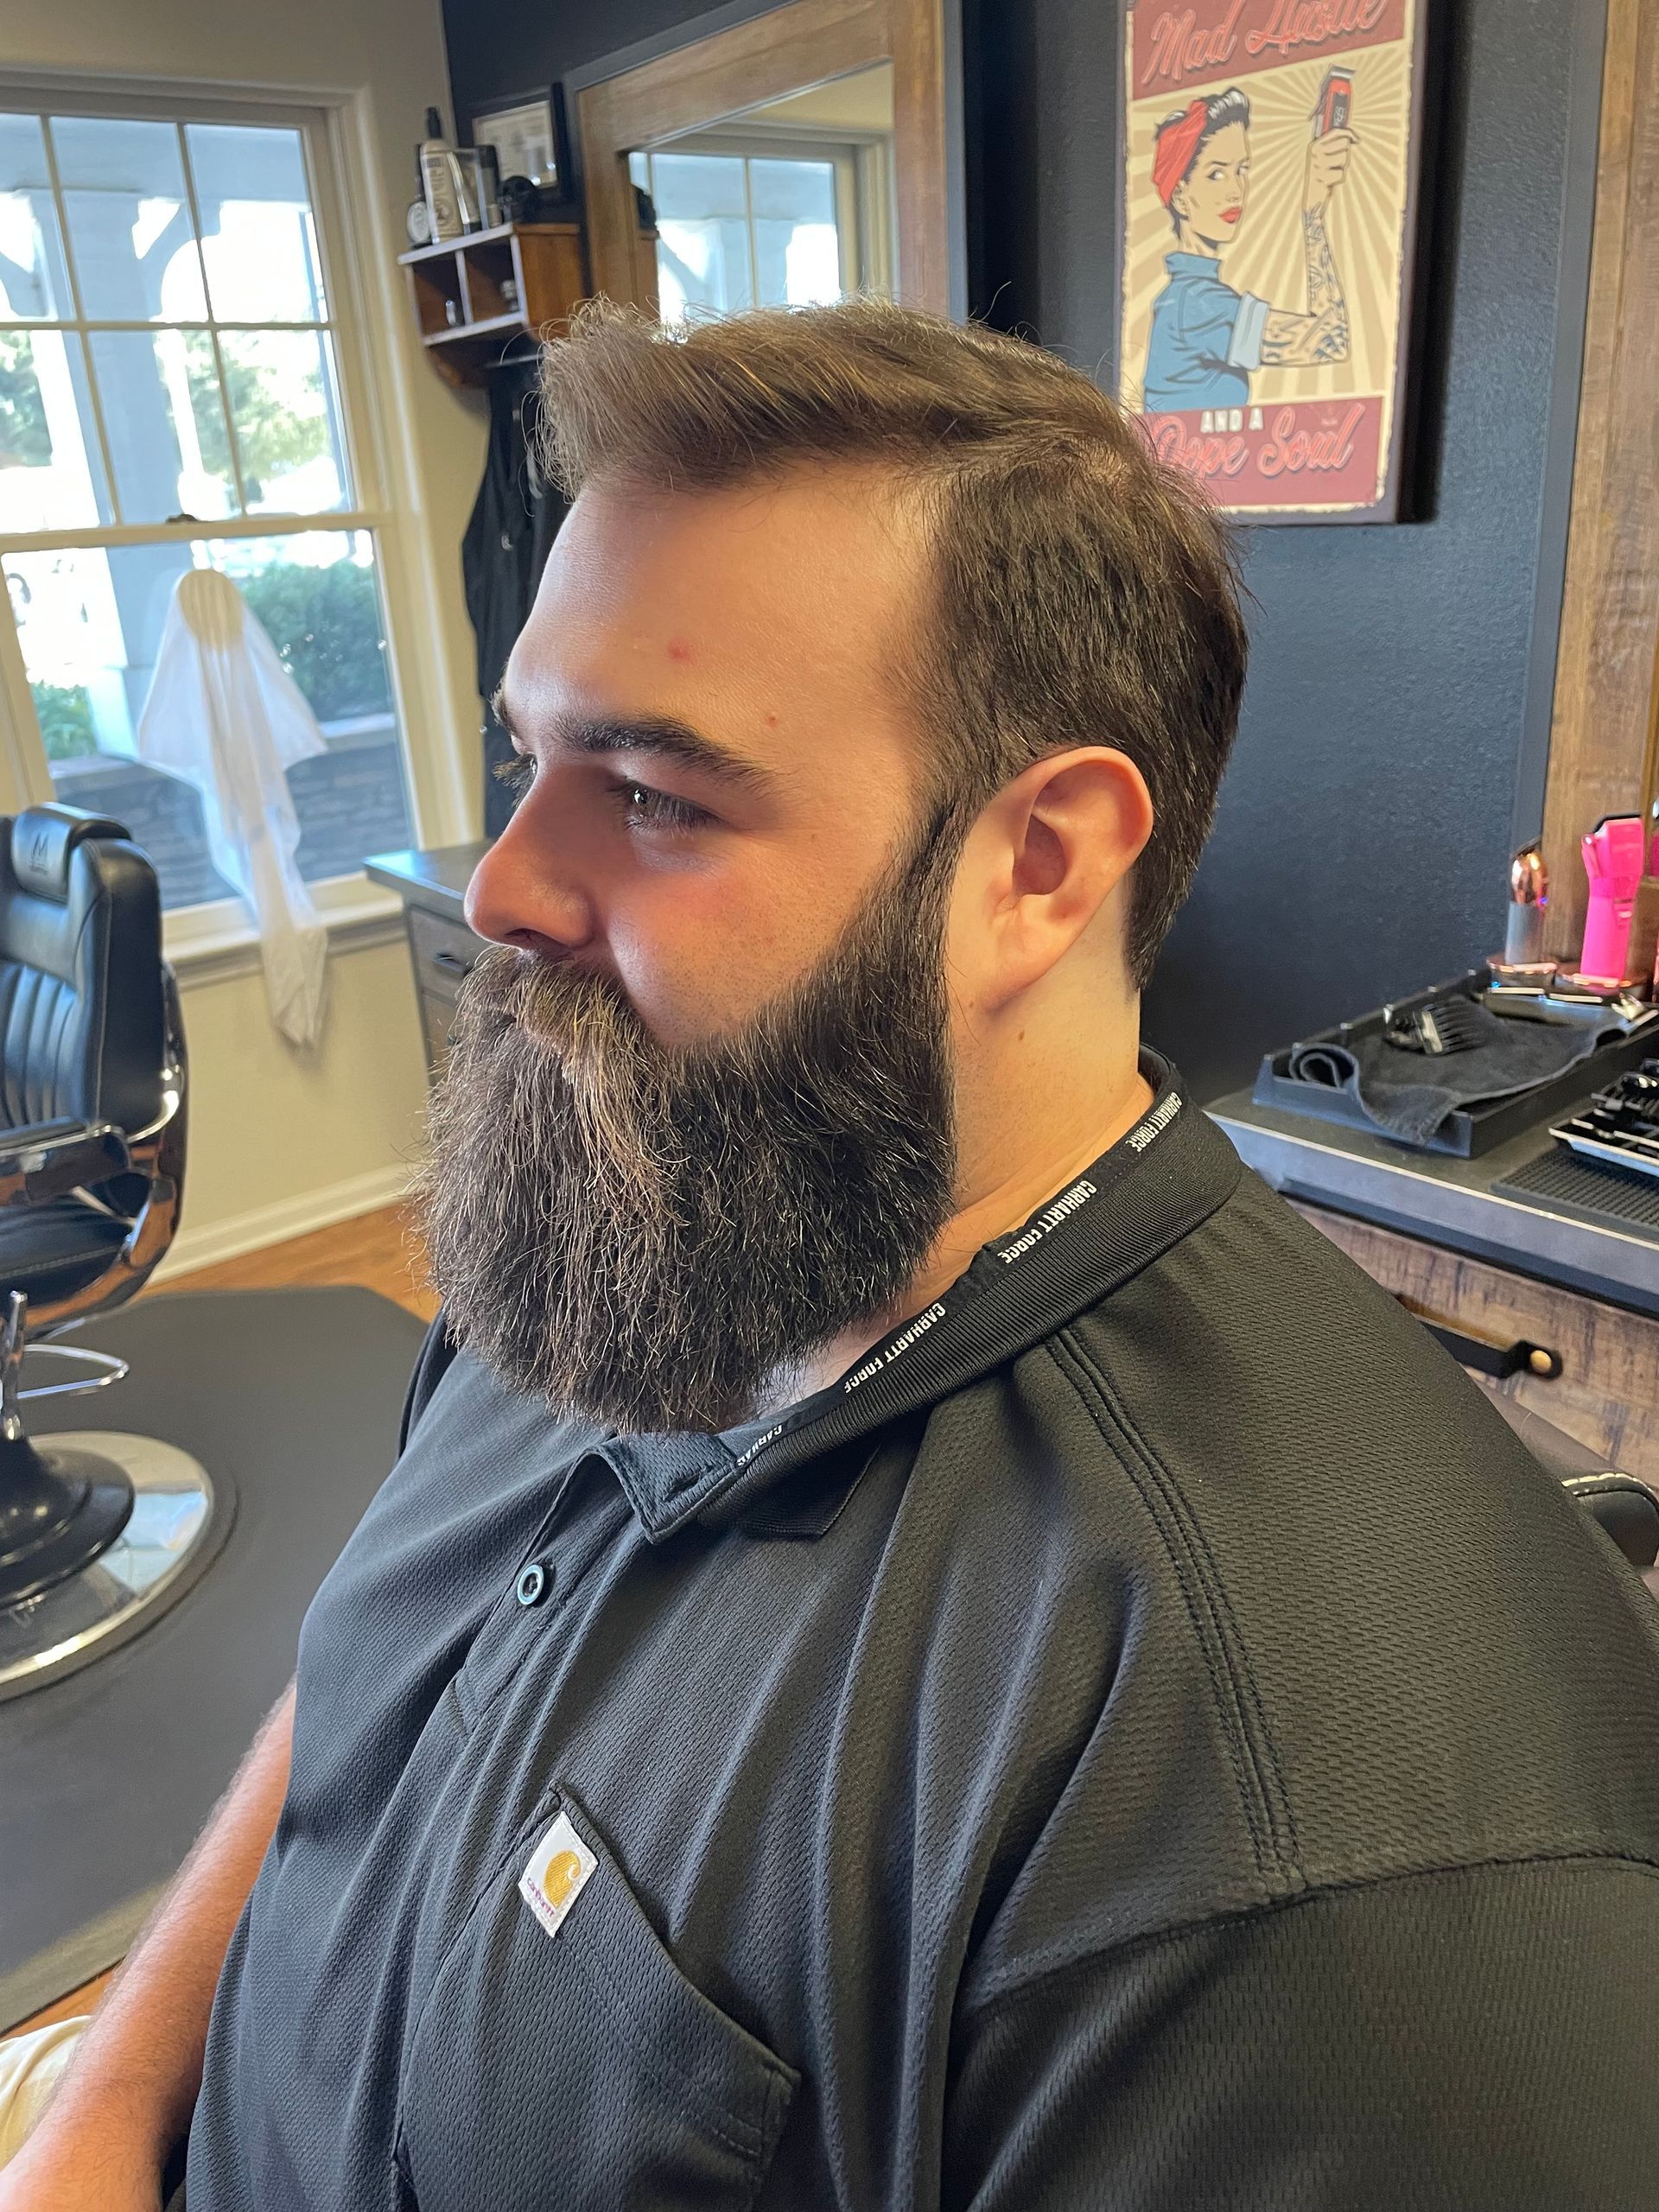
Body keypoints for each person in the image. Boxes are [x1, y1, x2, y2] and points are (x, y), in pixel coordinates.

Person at [4, 299, 1657, 2212]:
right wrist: (109, 2104)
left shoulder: (1316, 1876)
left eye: (653, 793)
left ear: (1035, 864)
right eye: (528, 754)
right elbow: (384, 1679)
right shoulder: (649, 1208)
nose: (505, 884)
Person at [1142, 84, 1357, 413]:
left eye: (1241, 170)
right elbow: (1330, 341)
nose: (1236, 190)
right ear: (1181, 195)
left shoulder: (1185, 296)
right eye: (1216, 173)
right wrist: (1312, 215)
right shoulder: (1196, 303)